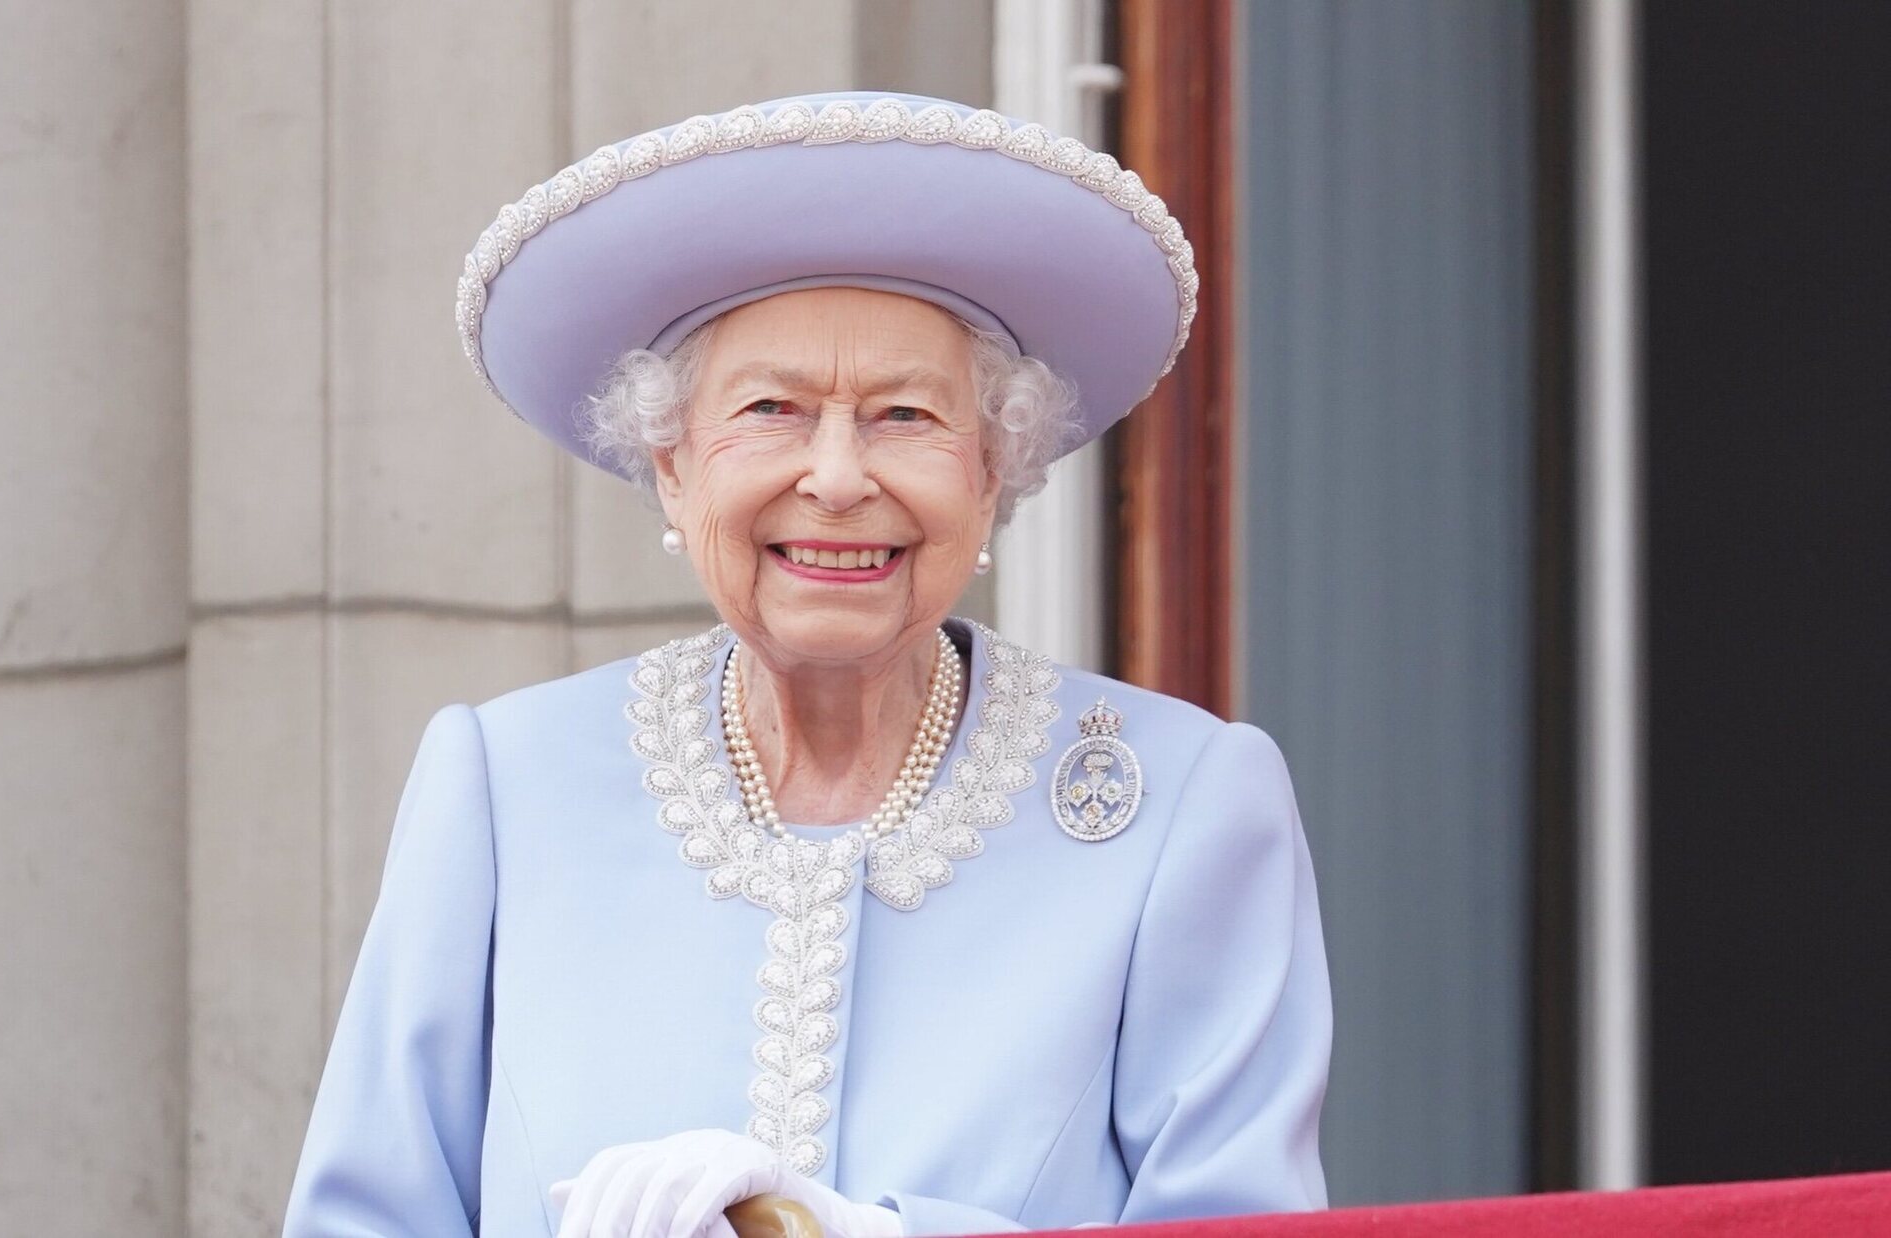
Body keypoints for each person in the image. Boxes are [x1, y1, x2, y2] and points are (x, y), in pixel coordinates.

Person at [282, 91, 1331, 1238]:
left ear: (993, 474)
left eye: (902, 415)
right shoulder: (503, 781)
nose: (835, 476)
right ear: (673, 468)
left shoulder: (1183, 804)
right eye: (771, 408)